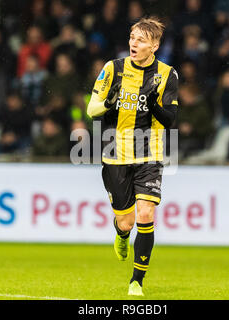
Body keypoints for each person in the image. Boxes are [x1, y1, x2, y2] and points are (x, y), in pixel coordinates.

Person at [87, 16, 178, 296]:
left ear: (154, 45)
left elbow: (170, 120)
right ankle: (122, 234)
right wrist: (108, 103)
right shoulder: (112, 68)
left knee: (146, 213)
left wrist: (154, 106)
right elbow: (91, 110)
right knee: (126, 221)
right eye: (131, 37)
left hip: (149, 153)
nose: (133, 43)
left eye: (140, 39)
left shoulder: (167, 74)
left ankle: (136, 281)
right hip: (115, 154)